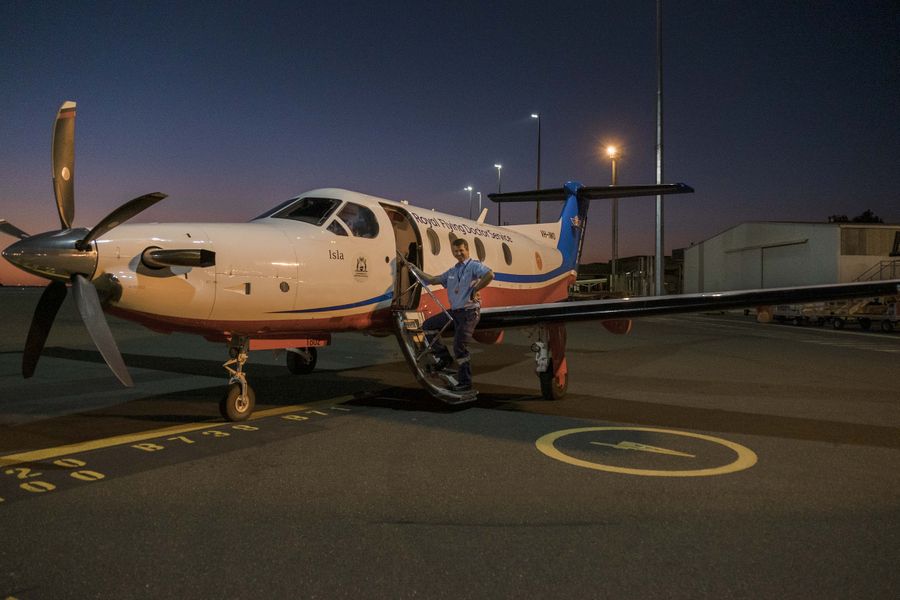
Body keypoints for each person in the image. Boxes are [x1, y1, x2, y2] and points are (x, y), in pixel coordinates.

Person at [410, 238, 494, 392]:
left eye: (461, 250)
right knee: (428, 326)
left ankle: (465, 383)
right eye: (456, 251)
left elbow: (489, 275)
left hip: (469, 312)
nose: (459, 253)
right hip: (455, 312)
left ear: (467, 250)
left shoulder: (474, 266)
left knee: (460, 347)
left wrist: (475, 290)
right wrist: (416, 270)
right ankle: (444, 357)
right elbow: (433, 280)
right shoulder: (452, 271)